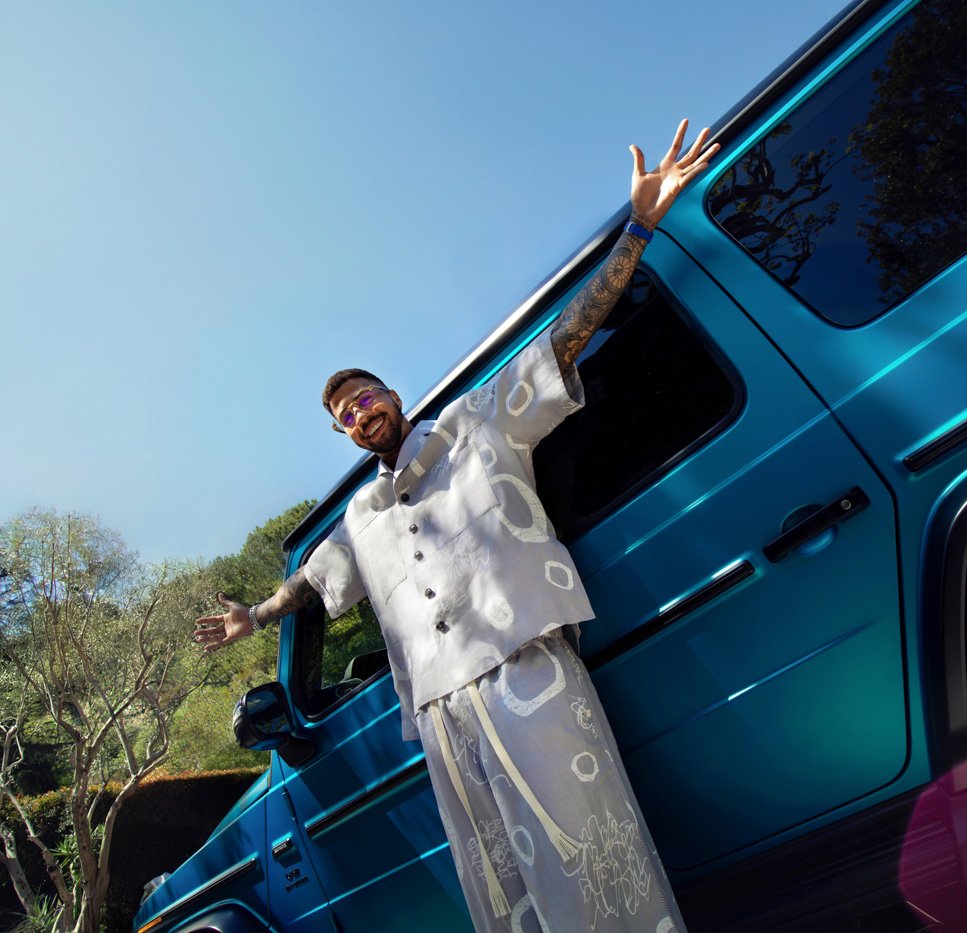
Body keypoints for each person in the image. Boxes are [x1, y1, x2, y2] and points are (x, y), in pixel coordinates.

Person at [194, 120, 718, 933]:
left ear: (392, 395)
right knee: (508, 897)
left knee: (589, 851)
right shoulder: (359, 516)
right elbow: (312, 582)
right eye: (343, 413)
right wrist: (253, 616)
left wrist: (641, 226)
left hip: (524, 664)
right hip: (440, 710)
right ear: (344, 437)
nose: (358, 409)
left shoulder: (477, 423)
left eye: (364, 393)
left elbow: (568, 340)